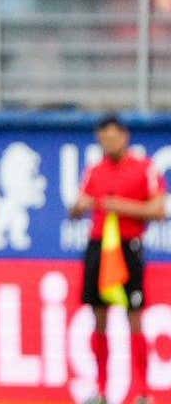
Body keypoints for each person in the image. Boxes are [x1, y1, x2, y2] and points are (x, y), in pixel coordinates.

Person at [68, 115, 166, 404]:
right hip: (99, 247)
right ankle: (100, 390)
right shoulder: (95, 171)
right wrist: (80, 207)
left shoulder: (144, 168)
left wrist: (118, 206)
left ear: (125, 137)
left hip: (128, 247)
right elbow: (77, 208)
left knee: (134, 318)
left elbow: (159, 210)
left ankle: (144, 391)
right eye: (103, 138)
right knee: (99, 318)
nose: (108, 142)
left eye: (113, 137)